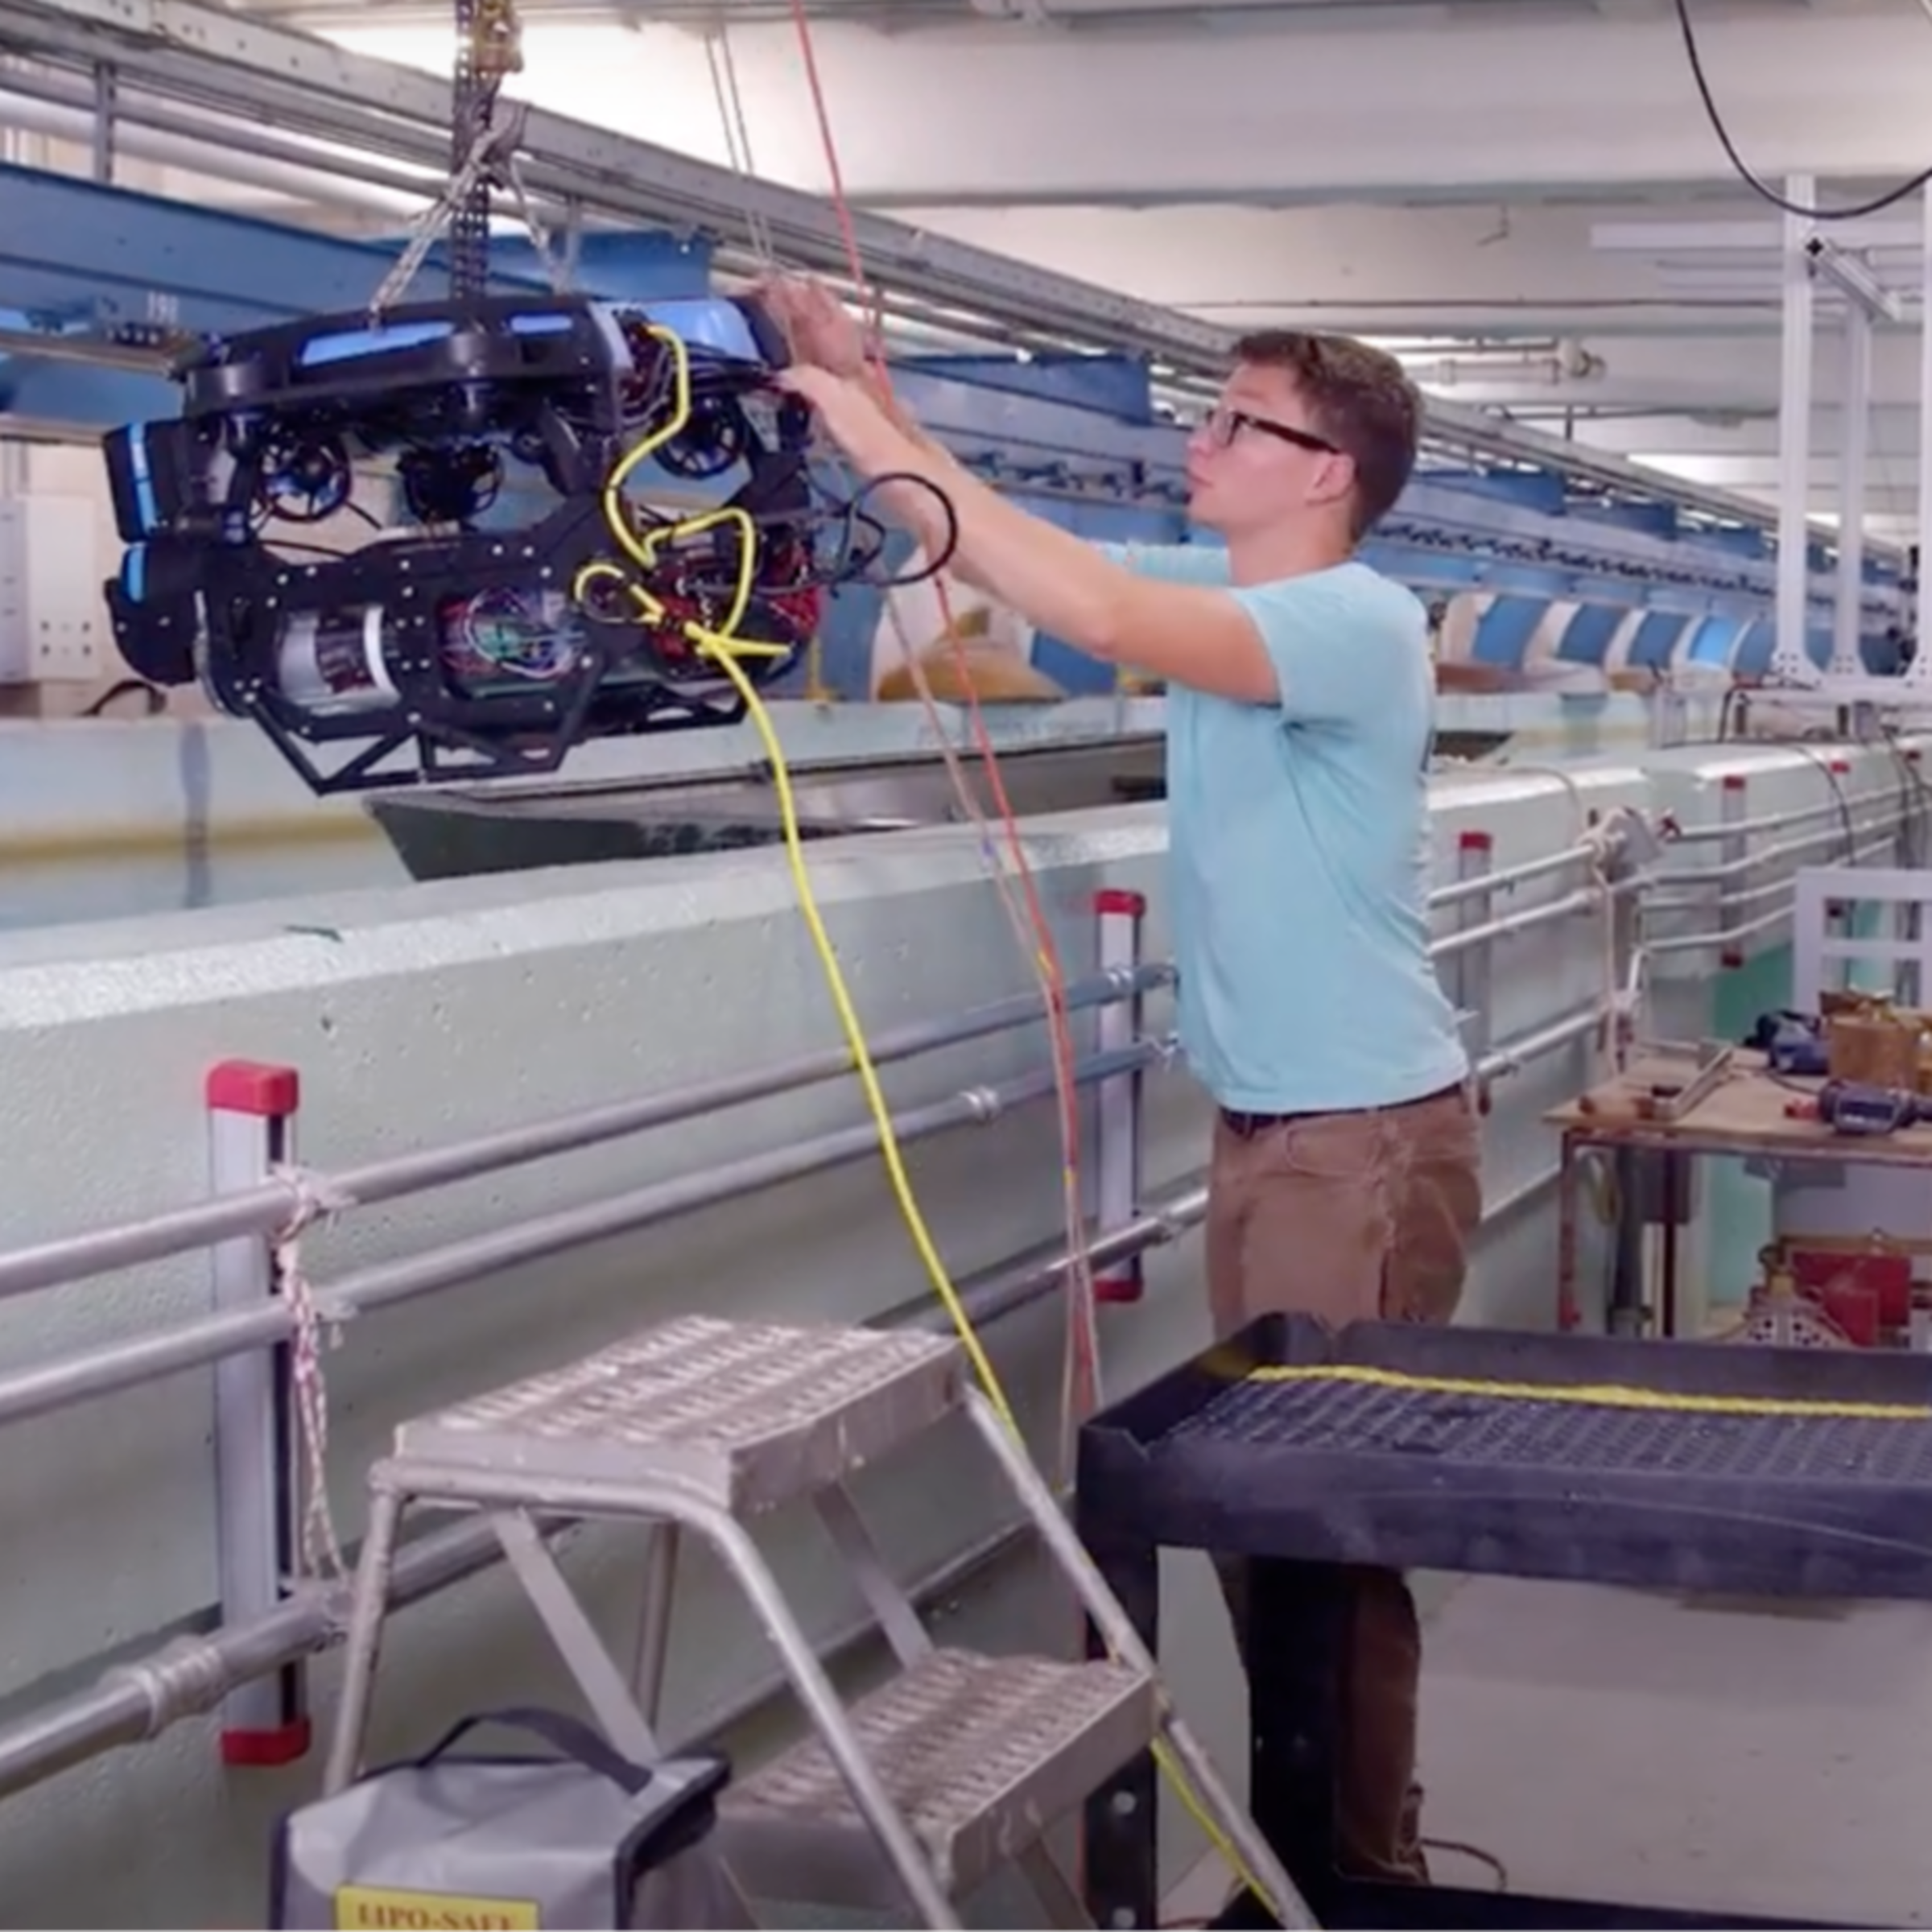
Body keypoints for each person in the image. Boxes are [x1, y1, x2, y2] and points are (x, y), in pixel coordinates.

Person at [758, 276, 1483, 1886]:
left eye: (1239, 421)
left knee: (1321, 1549)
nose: (1199, 437)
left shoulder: (1346, 621)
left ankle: (1355, 1883)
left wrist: (861, 420)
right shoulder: (1233, 584)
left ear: (1325, 473)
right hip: (1280, 1139)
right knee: (1269, 1539)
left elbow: (1091, 619)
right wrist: (877, 396)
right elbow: (1007, 551)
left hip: (1354, 1147)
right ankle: (1337, 1863)